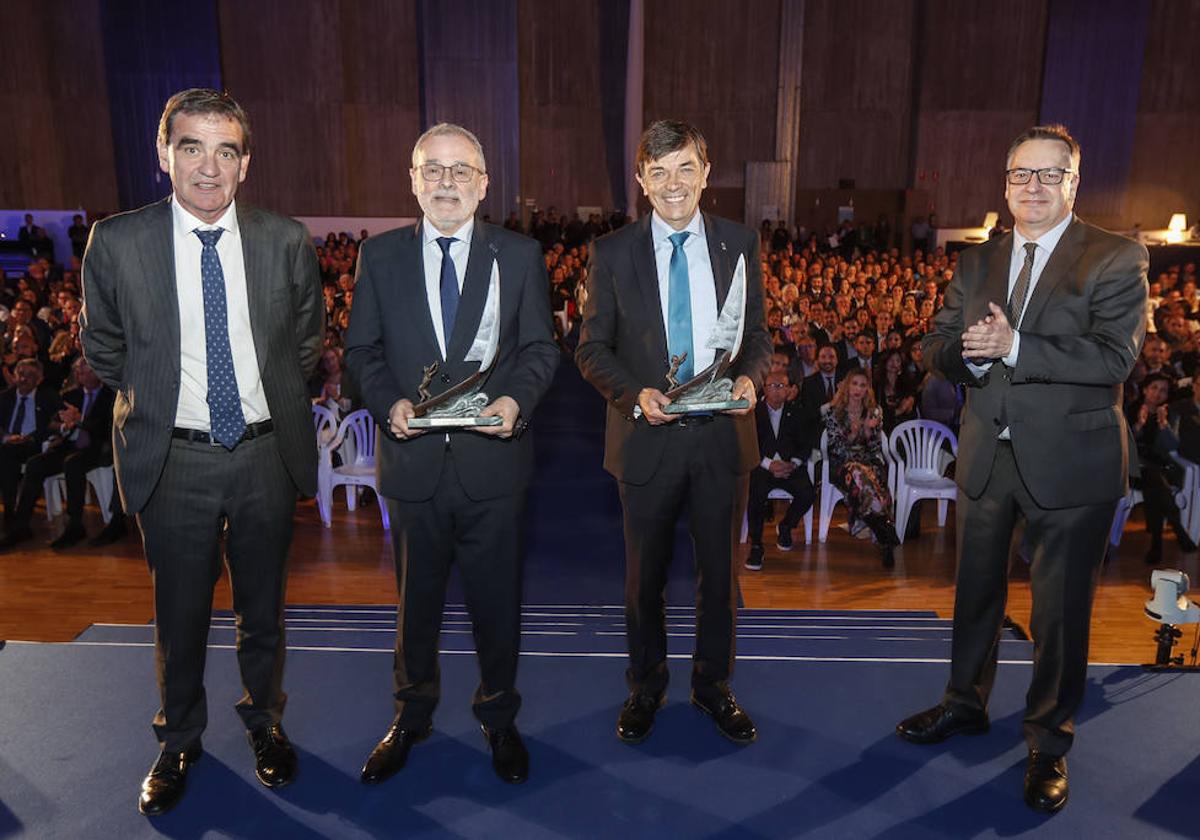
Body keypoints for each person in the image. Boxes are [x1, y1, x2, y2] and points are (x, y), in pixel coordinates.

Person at [80, 88, 323, 816]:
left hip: (264, 457)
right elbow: (103, 346)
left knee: (263, 612)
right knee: (178, 614)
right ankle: (179, 739)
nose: (208, 167)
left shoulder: (285, 239)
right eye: (191, 147)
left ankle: (264, 723)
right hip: (172, 459)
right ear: (164, 155)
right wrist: (160, 398)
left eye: (225, 151)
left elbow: (305, 346)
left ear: (245, 163)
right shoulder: (117, 241)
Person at [896, 125, 1149, 814]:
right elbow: (936, 344)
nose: (1032, 187)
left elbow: (1112, 360)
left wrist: (1015, 347)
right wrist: (967, 357)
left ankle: (1048, 742)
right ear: (1004, 183)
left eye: (1048, 175)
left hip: (1072, 463)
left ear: (1073, 182)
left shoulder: (1116, 256)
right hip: (987, 454)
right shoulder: (980, 261)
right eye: (1020, 175)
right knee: (975, 593)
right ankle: (963, 702)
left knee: (1060, 613)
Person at [345, 123, 558, 787]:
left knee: (497, 605)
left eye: (460, 170)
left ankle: (499, 718)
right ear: (412, 180)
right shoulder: (378, 258)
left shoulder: (520, 257)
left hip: (493, 468)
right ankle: (411, 717)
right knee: (416, 609)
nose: (446, 182)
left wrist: (516, 403)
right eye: (432, 170)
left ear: (484, 184)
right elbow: (361, 354)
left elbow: (539, 350)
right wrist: (388, 405)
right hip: (413, 470)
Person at [576, 120, 771, 746]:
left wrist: (752, 380)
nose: (673, 183)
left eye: (685, 168)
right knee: (644, 582)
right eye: (658, 172)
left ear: (706, 172)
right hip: (647, 439)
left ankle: (713, 688)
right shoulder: (610, 253)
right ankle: (646, 687)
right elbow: (590, 350)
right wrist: (635, 396)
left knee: (721, 579)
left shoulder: (742, 244)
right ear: (641, 181)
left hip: (722, 439)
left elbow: (759, 338)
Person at [0, 356, 114, 549]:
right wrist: (62, 426)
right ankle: (21, 525)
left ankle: (75, 525)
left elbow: (105, 429)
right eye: (78, 372)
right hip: (69, 446)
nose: (79, 375)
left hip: (97, 448)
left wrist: (79, 420)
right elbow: (51, 423)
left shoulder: (109, 396)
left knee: (73, 463)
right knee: (36, 464)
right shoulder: (71, 395)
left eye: (85, 371)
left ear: (98, 373)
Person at [821, 370, 898, 565]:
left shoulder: (875, 412)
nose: (858, 389)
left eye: (863, 385)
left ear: (867, 390)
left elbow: (875, 449)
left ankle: (881, 533)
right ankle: (884, 532)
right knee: (857, 473)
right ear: (847, 386)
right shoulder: (832, 411)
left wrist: (868, 430)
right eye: (855, 384)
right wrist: (858, 430)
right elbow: (837, 448)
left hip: (868, 463)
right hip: (842, 465)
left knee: (869, 476)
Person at [745, 369, 815, 570]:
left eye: (781, 386)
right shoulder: (752, 412)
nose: (776, 391)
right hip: (762, 466)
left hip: (789, 467)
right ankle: (756, 544)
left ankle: (786, 526)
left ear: (789, 390)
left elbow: (806, 443)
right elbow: (748, 444)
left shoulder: (797, 412)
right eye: (771, 386)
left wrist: (793, 463)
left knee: (808, 493)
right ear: (764, 389)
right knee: (755, 494)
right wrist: (768, 464)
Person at [1128, 372, 1196, 564]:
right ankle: (1178, 530)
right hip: (1133, 468)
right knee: (1154, 481)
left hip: (1158, 469)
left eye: (1163, 390)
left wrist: (1164, 425)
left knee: (1155, 485)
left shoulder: (1169, 413)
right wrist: (1139, 426)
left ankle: (1157, 545)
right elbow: (1124, 443)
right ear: (1145, 390)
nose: (1157, 394)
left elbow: (1173, 446)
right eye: (1154, 388)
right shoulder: (1131, 409)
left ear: (1167, 395)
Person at [0, 359, 61, 532]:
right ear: (14, 376)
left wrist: (32, 438)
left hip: (36, 444)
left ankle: (17, 518)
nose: (24, 379)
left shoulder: (49, 397)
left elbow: (56, 423)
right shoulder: (5, 397)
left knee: (19, 459)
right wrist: (6, 437)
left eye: (30, 375)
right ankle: (10, 512)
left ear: (39, 379)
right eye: (21, 374)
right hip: (9, 444)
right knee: (6, 455)